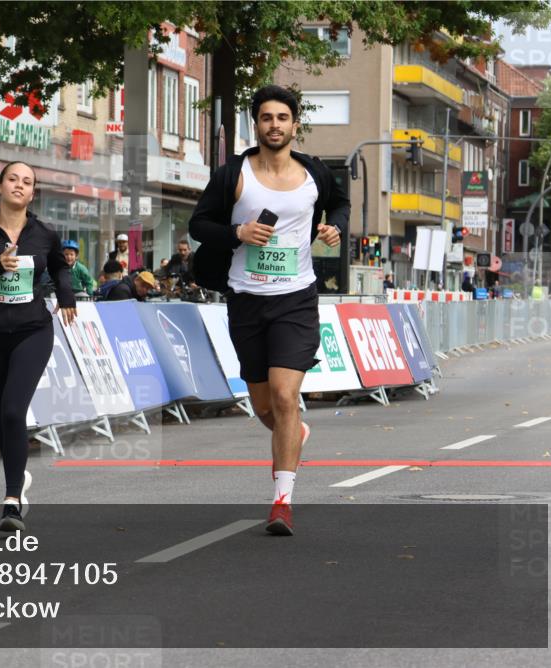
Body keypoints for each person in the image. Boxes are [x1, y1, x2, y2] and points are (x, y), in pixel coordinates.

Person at [189, 84, 348, 536]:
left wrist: (334, 227)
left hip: (296, 298)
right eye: (266, 118)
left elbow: (339, 204)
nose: (274, 125)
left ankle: (282, 501)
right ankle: (292, 432)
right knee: (263, 404)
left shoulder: (315, 172)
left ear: (295, 125)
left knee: (284, 396)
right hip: (245, 298)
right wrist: (237, 232)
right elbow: (198, 223)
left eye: (282, 118)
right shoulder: (232, 174)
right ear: (255, 124)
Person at [0, 161, 76, 532]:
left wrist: (68, 297)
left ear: (32, 192)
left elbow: (60, 268)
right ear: (0, 187)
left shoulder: (43, 233)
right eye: (13, 179)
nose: (19, 186)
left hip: (32, 331)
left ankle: (11, 503)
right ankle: (17, 479)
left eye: (27, 182)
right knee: (1, 417)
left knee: (12, 411)